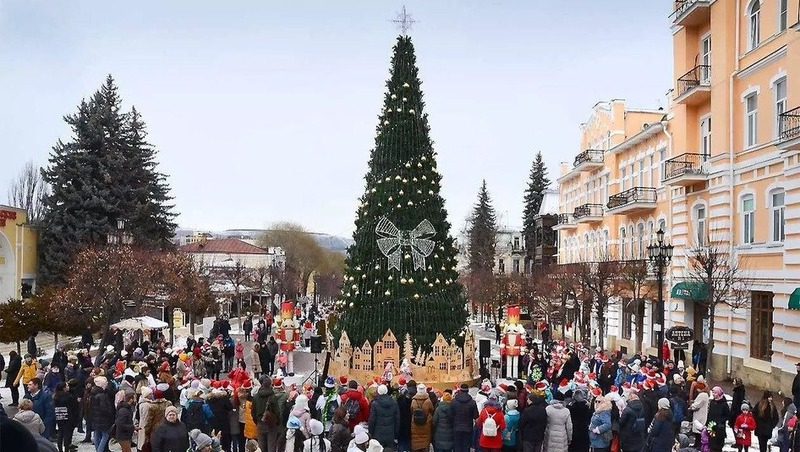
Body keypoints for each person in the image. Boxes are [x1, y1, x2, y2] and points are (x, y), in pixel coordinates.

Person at [369, 384, 400, 451]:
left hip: (378, 434)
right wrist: (396, 434)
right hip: (390, 434)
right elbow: (397, 419)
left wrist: (370, 433)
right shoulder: (394, 402)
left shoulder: (375, 404)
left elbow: (372, 420)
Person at [88, 376, 115, 452]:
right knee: (105, 436)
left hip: (95, 417)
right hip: (103, 419)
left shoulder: (93, 392)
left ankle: (98, 449)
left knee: (97, 434)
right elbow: (104, 409)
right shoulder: (102, 395)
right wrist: (110, 414)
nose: (107, 384)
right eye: (106, 382)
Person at [53, 382, 78, 452]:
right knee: (67, 434)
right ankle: (66, 449)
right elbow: (74, 407)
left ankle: (60, 449)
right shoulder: (69, 396)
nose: (68, 387)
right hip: (68, 416)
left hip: (59, 416)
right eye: (67, 386)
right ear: (64, 388)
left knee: (60, 433)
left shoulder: (55, 396)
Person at [410, 383, 434, 452]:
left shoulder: (413, 401)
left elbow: (411, 410)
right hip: (426, 425)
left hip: (415, 425)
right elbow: (432, 410)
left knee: (416, 441)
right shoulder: (428, 401)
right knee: (425, 442)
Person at [707, 386, 730, 452]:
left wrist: (720, 421)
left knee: (718, 446)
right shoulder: (712, 402)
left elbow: (727, 415)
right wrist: (707, 424)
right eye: (713, 393)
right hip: (712, 427)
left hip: (720, 428)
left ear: (719, 393)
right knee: (711, 444)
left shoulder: (724, 404)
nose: (714, 394)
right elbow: (710, 414)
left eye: (715, 393)